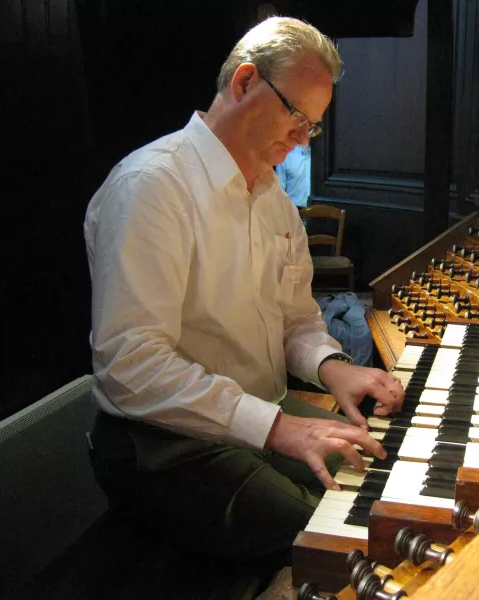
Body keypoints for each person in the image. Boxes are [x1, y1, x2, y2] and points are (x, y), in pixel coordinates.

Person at [83, 16, 405, 563]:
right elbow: (131, 365)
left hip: (260, 409)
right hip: (162, 445)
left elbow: (295, 320)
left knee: (392, 474)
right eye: (297, 115)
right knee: (350, 540)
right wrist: (279, 427)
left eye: (315, 125)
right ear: (245, 83)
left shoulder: (274, 198)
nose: (305, 137)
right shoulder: (152, 187)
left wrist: (333, 367)